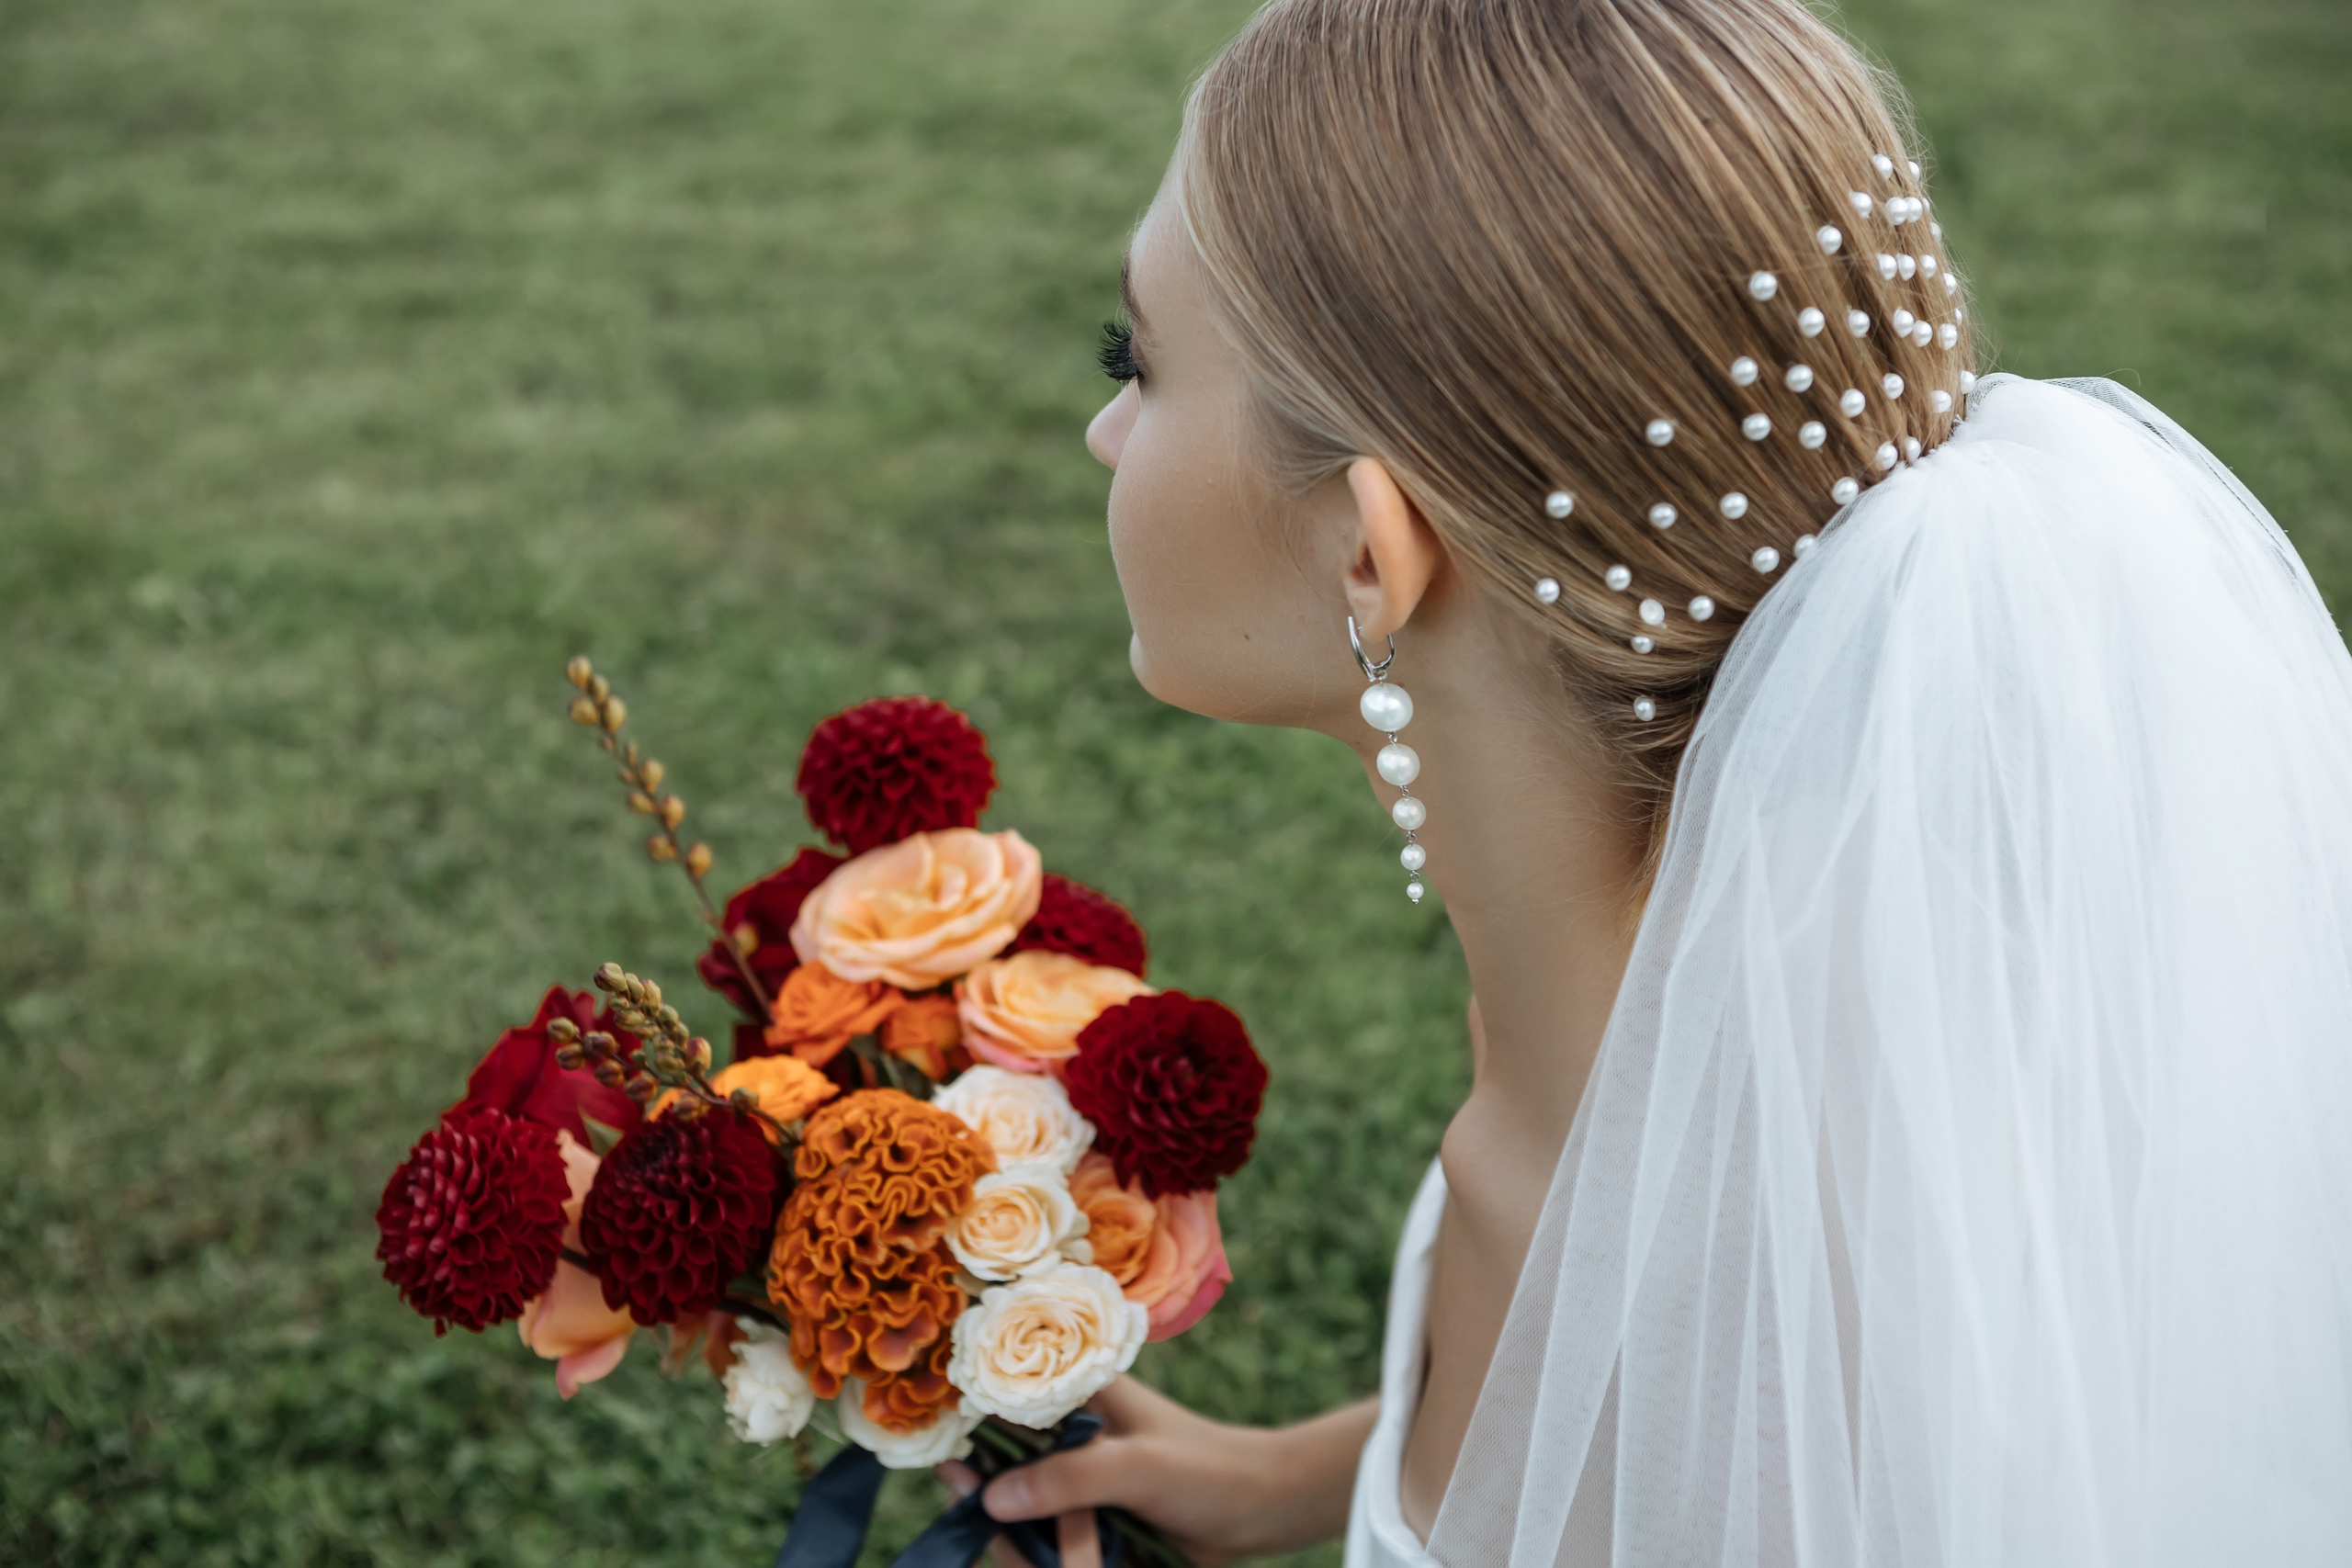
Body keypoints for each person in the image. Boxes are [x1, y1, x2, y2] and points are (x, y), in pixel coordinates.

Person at [946, 0, 2352, 1562]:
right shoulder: (1675, 1005)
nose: (1098, 430)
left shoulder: (1795, 1317)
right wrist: (1317, 1483)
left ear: (1370, 552)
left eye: (1132, 361)